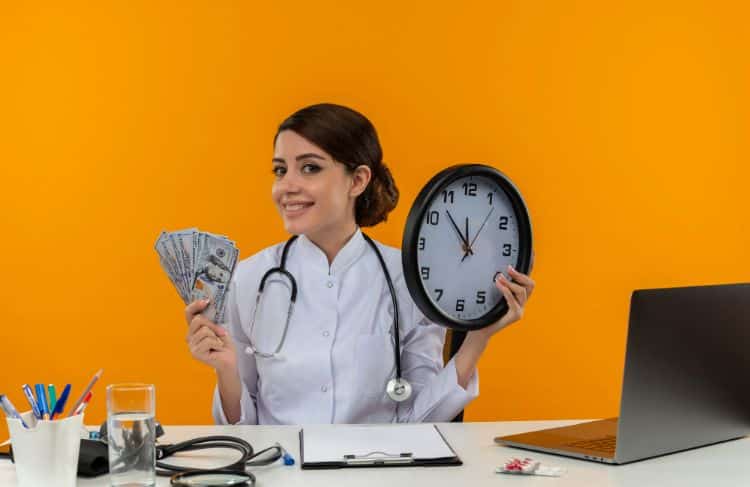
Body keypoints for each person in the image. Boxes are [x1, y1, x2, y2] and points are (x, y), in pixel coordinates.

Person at [184, 103, 535, 425]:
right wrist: (226, 369)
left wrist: (478, 338)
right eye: (280, 170)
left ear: (358, 180)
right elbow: (245, 431)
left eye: (309, 168)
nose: (286, 187)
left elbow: (421, 421)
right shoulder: (251, 278)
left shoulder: (406, 278)